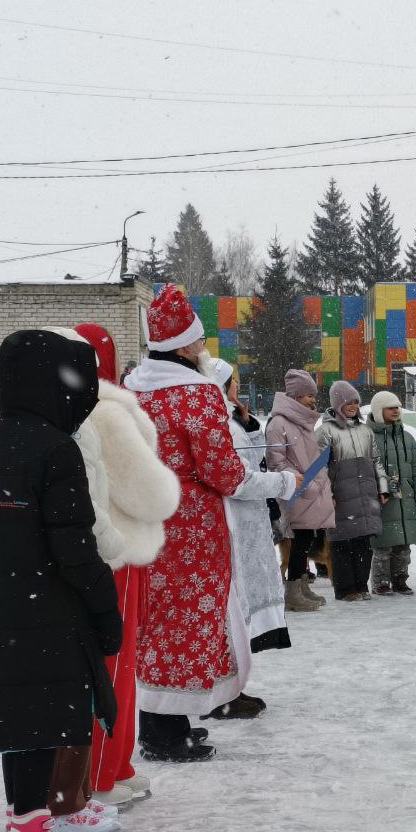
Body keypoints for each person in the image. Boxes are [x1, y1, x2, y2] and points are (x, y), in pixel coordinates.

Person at [0, 329, 120, 832]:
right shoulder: (56, 450)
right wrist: (105, 611)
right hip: (49, 610)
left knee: (20, 723)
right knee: (44, 720)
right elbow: (76, 547)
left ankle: (36, 824)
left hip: (0, 608)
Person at [124, 284, 248, 762]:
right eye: (197, 342)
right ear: (182, 345)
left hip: (143, 521)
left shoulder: (132, 388)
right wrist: (270, 482)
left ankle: (161, 721)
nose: (202, 350)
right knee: (187, 624)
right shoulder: (198, 394)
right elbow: (222, 472)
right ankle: (164, 735)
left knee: (152, 622)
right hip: (192, 529)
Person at [70, 323, 180, 810]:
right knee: (115, 666)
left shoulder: (64, 412)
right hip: (118, 554)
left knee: (103, 665)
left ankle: (117, 764)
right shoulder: (108, 414)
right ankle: (105, 771)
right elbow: (150, 493)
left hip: (86, 554)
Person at [207, 358, 300, 719]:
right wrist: (283, 483)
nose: (238, 390)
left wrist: (247, 424)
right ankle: (224, 692)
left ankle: (231, 687)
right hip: (232, 526)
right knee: (231, 612)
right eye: (233, 383)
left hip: (245, 526)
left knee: (239, 612)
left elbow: (251, 460)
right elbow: (239, 479)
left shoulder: (230, 421)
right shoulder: (217, 426)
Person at [315, 380, 389, 600]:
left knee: (363, 544)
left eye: (356, 402)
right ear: (338, 403)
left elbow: (376, 461)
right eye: (348, 402)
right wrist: (328, 495)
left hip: (365, 495)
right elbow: (319, 469)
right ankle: (345, 589)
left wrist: (382, 488)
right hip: (341, 497)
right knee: (341, 544)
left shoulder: (365, 431)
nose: (353, 406)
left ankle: (361, 586)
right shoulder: (325, 431)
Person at [267, 369, 332, 612]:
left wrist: (318, 481)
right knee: (297, 542)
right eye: (308, 395)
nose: (313, 400)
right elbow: (276, 460)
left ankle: (301, 585)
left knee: (306, 540)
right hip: (296, 491)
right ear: (295, 396)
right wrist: (301, 481)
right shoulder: (279, 423)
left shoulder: (303, 422)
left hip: (311, 490)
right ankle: (292, 591)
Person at [369, 390, 416, 595]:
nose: (395, 411)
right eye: (390, 408)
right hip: (384, 500)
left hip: (406, 500)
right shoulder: (369, 437)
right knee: (383, 545)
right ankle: (380, 581)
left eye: (397, 407)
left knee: (403, 544)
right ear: (379, 410)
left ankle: (400, 578)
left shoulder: (407, 437)